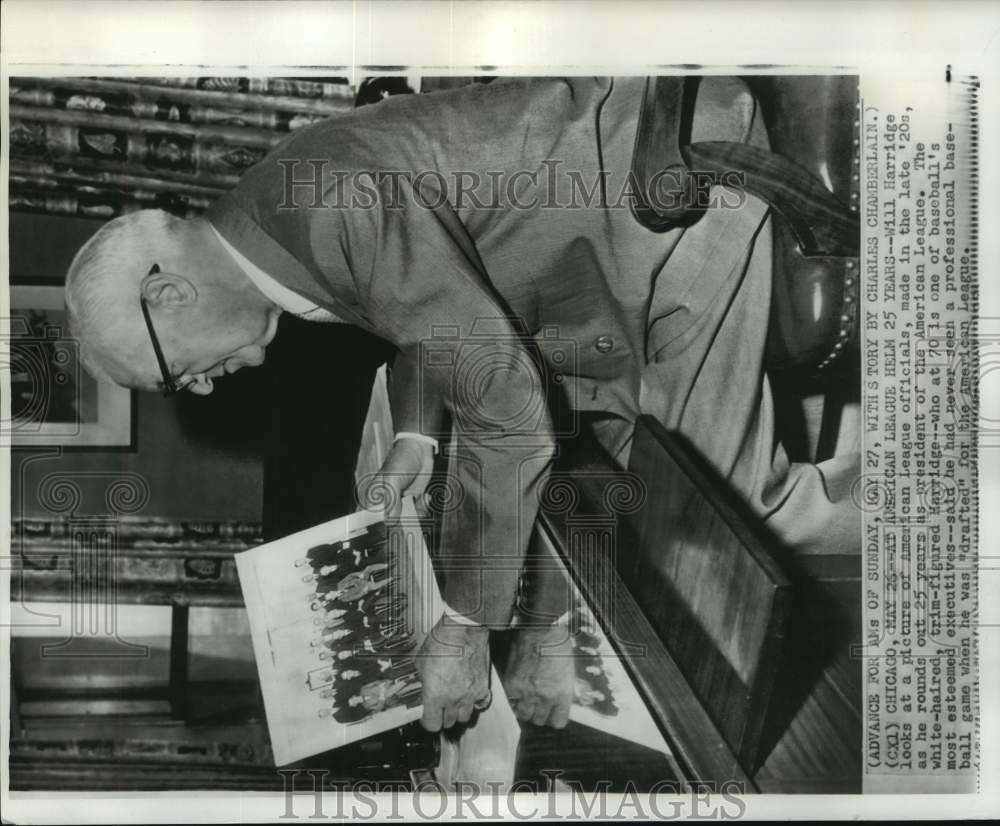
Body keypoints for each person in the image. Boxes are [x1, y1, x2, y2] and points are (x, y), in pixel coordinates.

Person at [64, 76, 860, 734]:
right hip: (599, 262)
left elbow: (508, 408)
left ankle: (951, 499)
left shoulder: (323, 214)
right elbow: (426, 302)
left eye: (174, 376)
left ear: (168, 294)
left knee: (716, 523)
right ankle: (561, 623)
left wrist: (465, 626)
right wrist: (416, 437)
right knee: (602, 483)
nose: (200, 388)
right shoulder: (275, 212)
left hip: (677, 196)